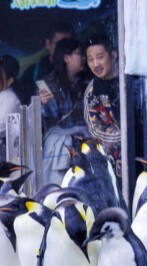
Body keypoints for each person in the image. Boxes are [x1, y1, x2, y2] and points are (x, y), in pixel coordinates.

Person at [38, 37, 88, 186]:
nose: (84, 58)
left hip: (84, 143)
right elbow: (46, 119)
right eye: (79, 54)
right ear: (66, 58)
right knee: (60, 187)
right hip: (60, 147)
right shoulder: (47, 84)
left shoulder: (86, 82)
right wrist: (42, 103)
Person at [83, 35, 122, 173]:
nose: (95, 64)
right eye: (90, 59)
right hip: (113, 162)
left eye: (99, 57)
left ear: (113, 55)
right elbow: (94, 128)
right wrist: (122, 135)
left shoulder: (127, 79)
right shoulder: (92, 91)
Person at [17, 21, 75, 104]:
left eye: (69, 44)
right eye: (59, 44)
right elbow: (25, 105)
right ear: (48, 44)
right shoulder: (33, 72)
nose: (63, 48)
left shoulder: (82, 72)